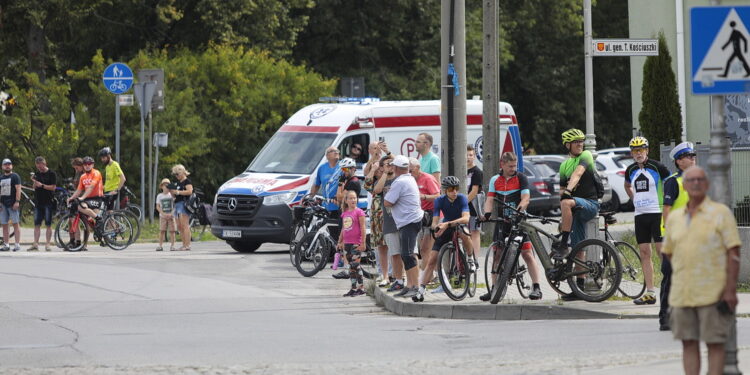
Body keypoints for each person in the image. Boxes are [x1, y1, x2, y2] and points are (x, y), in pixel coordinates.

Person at [662, 166, 741, 375]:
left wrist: (730, 290)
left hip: (712, 293)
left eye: (700, 180)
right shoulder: (675, 218)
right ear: (685, 186)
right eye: (691, 180)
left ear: (707, 185)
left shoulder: (720, 213)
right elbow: (669, 252)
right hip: (682, 294)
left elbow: (733, 253)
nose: (696, 183)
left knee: (714, 343)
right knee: (688, 343)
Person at [479, 152, 543, 301]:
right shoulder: (495, 179)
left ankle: (537, 287)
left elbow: (526, 198)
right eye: (510, 166)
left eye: (514, 166)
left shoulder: (521, 178)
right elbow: (490, 199)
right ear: (502, 164)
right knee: (497, 256)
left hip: (519, 220)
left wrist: (519, 212)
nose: (513, 169)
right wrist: (487, 214)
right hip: (503, 222)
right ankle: (494, 289)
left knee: (527, 254)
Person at [553, 129, 600, 301]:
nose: (580, 144)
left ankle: (563, 243)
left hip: (590, 204)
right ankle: (579, 290)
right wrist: (563, 217)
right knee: (579, 249)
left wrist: (568, 193)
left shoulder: (586, 155)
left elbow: (577, 174)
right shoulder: (563, 165)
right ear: (568, 145)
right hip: (574, 211)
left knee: (566, 201)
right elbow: (561, 191)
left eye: (581, 141)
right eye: (576, 142)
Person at [624, 136, 671, 305]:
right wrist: (633, 199)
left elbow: (670, 183)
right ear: (631, 153)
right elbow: (627, 185)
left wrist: (668, 203)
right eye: (635, 151)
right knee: (644, 253)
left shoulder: (657, 167)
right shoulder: (630, 170)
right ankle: (650, 292)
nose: (638, 153)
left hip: (657, 213)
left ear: (647, 150)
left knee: (662, 252)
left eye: (641, 150)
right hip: (640, 215)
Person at [657, 141, 697, 331]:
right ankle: (665, 316)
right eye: (689, 156)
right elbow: (667, 209)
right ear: (679, 161)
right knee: (670, 276)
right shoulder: (673, 182)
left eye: (693, 156)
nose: (693, 159)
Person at [412, 176, 471, 302]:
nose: (454, 191)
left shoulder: (462, 198)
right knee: (432, 259)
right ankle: (421, 291)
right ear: (445, 190)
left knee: (464, 233)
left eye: (456, 188)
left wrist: (448, 224)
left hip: (458, 224)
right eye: (451, 189)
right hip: (445, 226)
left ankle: (470, 259)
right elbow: (435, 221)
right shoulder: (439, 200)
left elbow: (466, 218)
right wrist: (436, 227)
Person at [384, 155, 424, 299]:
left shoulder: (400, 182)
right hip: (410, 221)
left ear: (395, 168)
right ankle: (409, 285)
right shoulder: (409, 178)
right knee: (406, 254)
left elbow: (387, 202)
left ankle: (415, 286)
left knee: (408, 254)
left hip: (409, 221)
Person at [364, 142, 392, 286]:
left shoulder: (391, 179)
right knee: (380, 247)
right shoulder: (374, 181)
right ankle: (384, 274)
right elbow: (366, 181)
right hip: (376, 217)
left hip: (389, 217)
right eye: (380, 168)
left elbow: (394, 163)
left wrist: (387, 153)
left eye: (383, 168)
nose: (381, 170)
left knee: (392, 246)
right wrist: (373, 167)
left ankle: (393, 274)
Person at [409, 157, 440, 269]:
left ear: (418, 168)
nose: (409, 173)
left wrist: (424, 196)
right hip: (420, 215)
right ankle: (429, 274)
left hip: (432, 214)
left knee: (426, 248)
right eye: (408, 171)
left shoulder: (428, 178)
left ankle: (429, 275)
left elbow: (438, 196)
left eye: (411, 170)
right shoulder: (410, 179)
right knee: (422, 248)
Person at [338, 191, 367, 297]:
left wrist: (363, 242)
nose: (353, 200)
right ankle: (353, 288)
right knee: (351, 267)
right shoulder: (345, 213)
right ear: (346, 200)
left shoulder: (359, 212)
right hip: (347, 243)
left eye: (355, 198)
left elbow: (363, 227)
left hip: (356, 243)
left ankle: (361, 287)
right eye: (350, 198)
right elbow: (343, 228)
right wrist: (340, 241)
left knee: (356, 265)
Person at [66, 156, 104, 231]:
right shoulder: (83, 176)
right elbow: (79, 190)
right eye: (85, 164)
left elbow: (91, 187)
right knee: (80, 206)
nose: (87, 166)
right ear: (83, 165)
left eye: (89, 164)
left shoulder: (96, 173)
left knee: (81, 207)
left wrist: (82, 198)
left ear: (93, 165)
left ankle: (99, 218)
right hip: (88, 199)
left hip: (97, 198)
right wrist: (71, 198)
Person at [29, 156, 57, 252]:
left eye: (41, 167)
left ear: (44, 164)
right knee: (37, 224)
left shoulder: (51, 173)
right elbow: (34, 188)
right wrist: (34, 182)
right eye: (38, 167)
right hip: (38, 202)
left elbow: (53, 187)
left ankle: (48, 244)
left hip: (48, 202)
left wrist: (42, 185)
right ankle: (35, 243)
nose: (39, 169)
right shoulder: (37, 173)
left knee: (48, 224)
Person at [466, 145, 483, 262]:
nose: (468, 157)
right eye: (466, 155)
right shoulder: (461, 170)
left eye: (471, 155)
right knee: (465, 233)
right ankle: (467, 256)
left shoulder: (477, 172)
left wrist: (463, 202)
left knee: (474, 232)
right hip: (463, 208)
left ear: (474, 157)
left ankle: (475, 259)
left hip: (473, 207)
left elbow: (474, 191)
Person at [169, 164, 193, 251]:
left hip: (184, 204)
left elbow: (190, 191)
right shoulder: (177, 183)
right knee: (179, 226)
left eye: (177, 174)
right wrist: (172, 192)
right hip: (177, 203)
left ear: (182, 172)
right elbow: (175, 194)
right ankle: (184, 244)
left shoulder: (187, 181)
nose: (176, 176)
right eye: (175, 174)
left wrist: (178, 192)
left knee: (185, 225)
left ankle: (188, 245)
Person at [0, 158, 22, 252]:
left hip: (12, 203)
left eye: (9, 164)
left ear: (11, 166)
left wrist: (17, 201)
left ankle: (17, 245)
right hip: (3, 204)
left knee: (15, 223)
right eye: (5, 164)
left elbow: (18, 189)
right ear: (2, 166)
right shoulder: (1, 178)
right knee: (4, 224)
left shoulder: (15, 176)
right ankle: (6, 244)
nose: (7, 166)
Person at [155, 178, 176, 252]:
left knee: (172, 231)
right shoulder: (159, 196)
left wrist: (172, 213)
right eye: (165, 185)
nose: (166, 187)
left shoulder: (172, 195)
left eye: (168, 185)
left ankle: (172, 245)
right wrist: (162, 213)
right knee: (162, 230)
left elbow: (175, 205)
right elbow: (157, 206)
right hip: (162, 216)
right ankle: (160, 245)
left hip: (171, 216)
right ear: (162, 186)